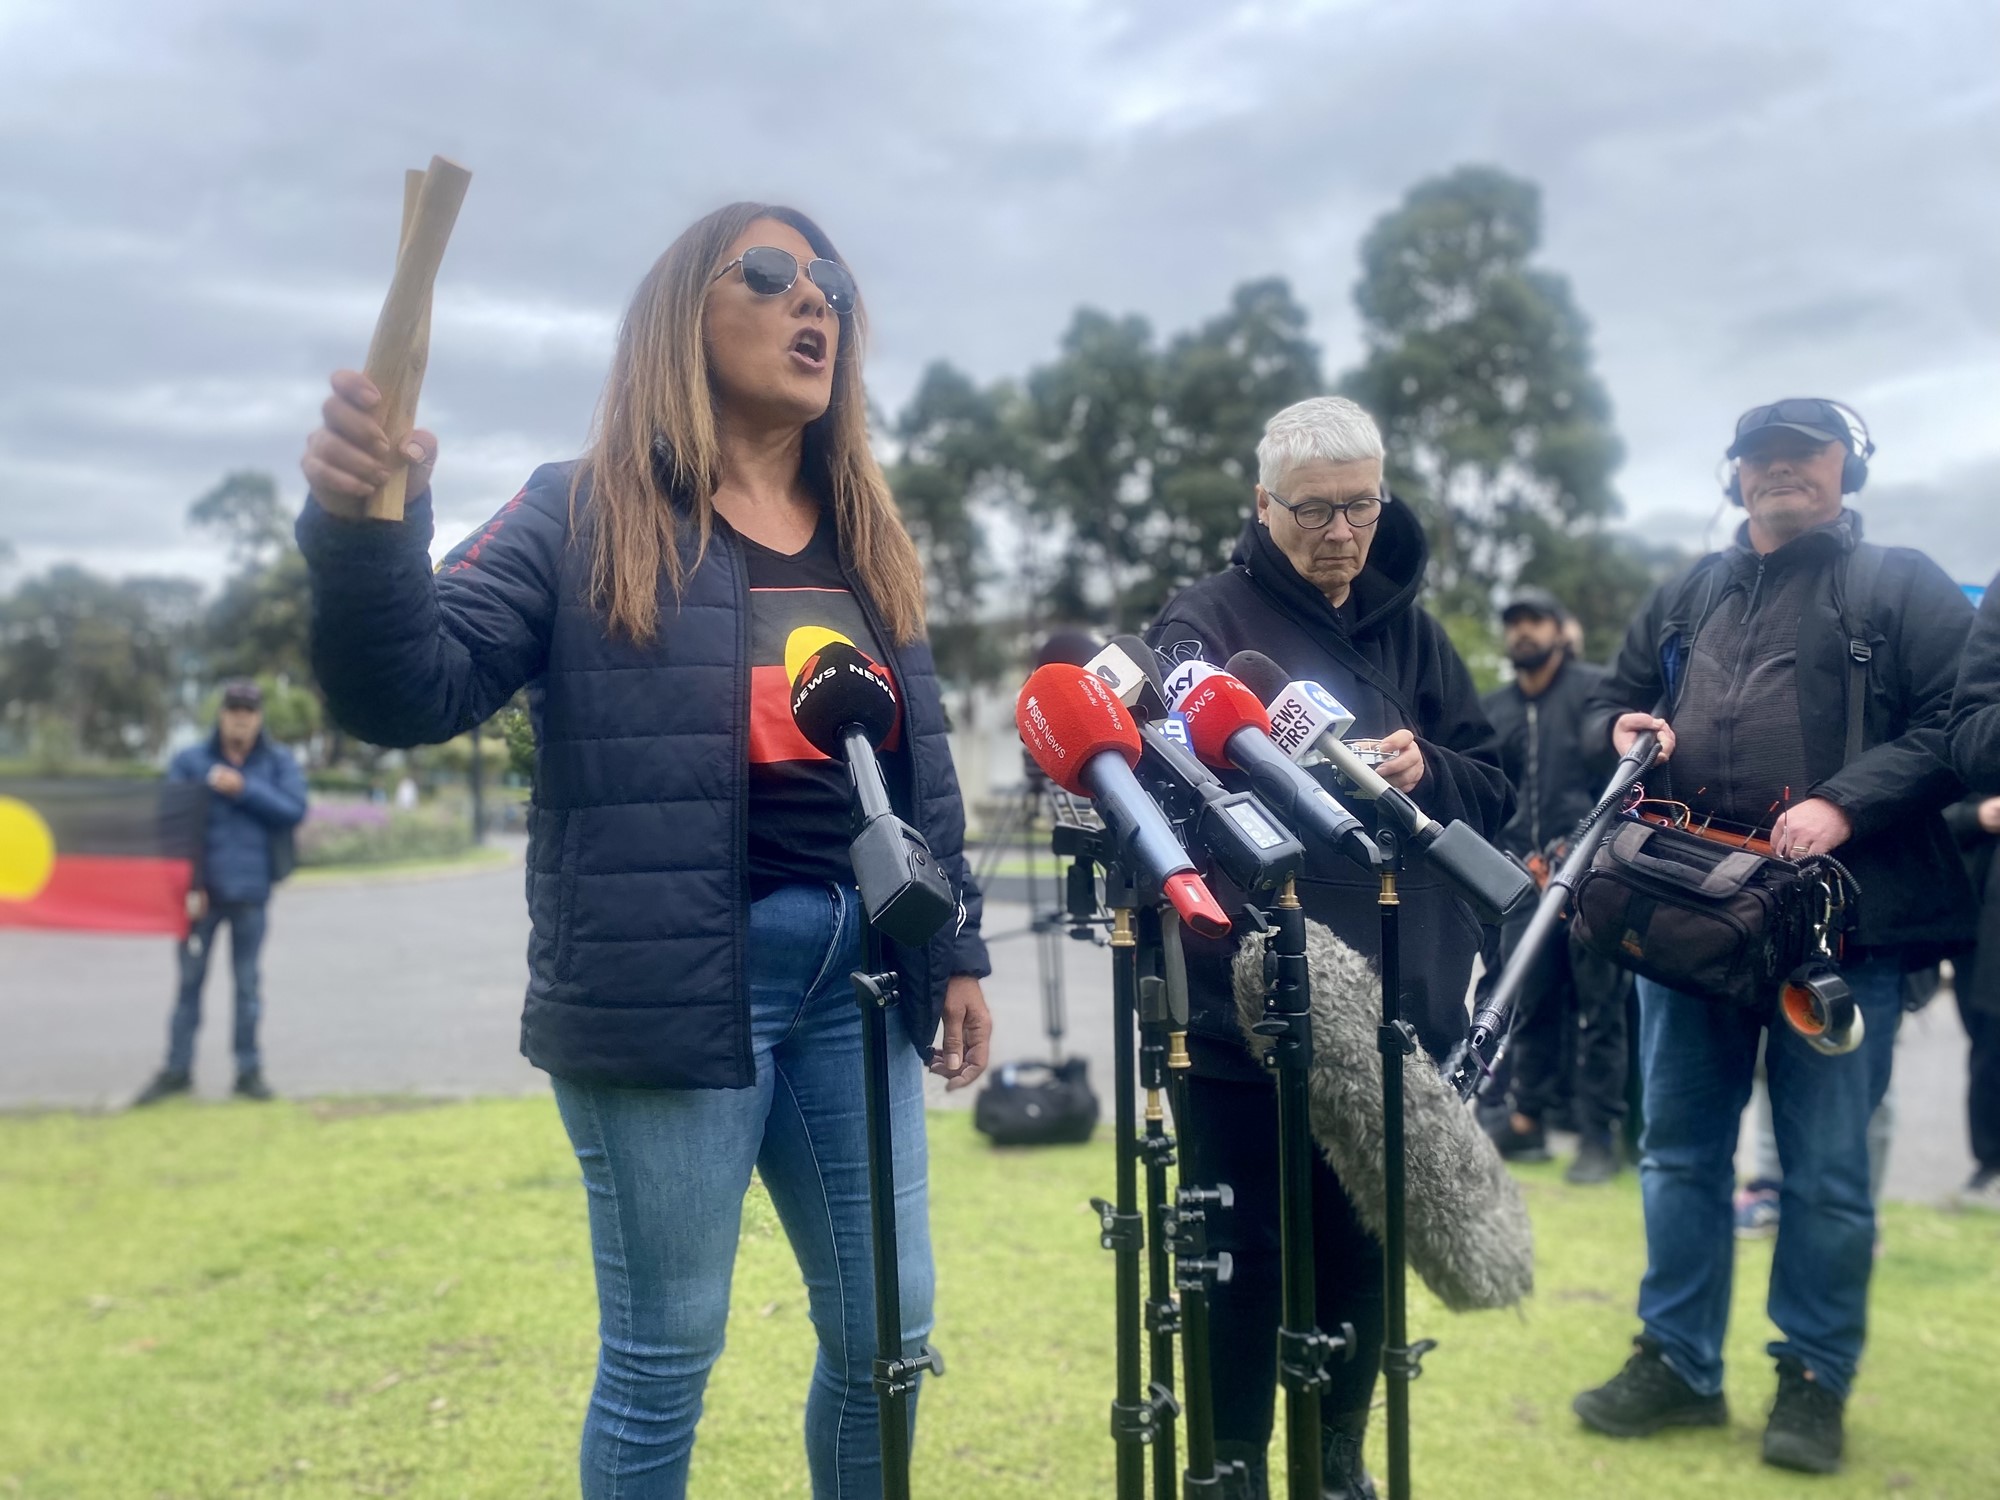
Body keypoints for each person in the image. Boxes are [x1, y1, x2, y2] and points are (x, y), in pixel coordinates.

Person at [294, 203, 992, 1500]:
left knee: (890, 1337)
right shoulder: (577, 512)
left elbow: (924, 766)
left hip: (860, 977)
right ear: (681, 316)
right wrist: (365, 533)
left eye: (831, 281)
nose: (816, 303)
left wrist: (952, 943)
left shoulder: (866, 537)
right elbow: (407, 689)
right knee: (667, 1354)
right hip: (669, 983)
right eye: (774, 274)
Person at [1574, 398, 1976, 1475]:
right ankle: (1675, 1362)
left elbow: (1958, 725)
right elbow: (1604, 703)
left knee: (1827, 1174)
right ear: (1733, 474)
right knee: (1676, 1158)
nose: (1779, 470)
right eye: (1759, 455)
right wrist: (1615, 728)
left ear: (1846, 466)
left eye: (1803, 453)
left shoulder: (1903, 585)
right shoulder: (1687, 590)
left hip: (1840, 934)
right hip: (1685, 923)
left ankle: (1810, 1379)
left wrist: (1846, 802)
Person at [1148, 395, 1512, 1498]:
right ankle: (1227, 1470)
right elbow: (1175, 785)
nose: (1340, 533)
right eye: (1313, 511)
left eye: (1360, 507)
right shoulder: (1198, 621)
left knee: (1360, 1249)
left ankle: (1335, 1465)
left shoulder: (1415, 632)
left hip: (1394, 1012)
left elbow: (1491, 784)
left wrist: (1427, 774)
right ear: (1263, 506)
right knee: (1239, 1256)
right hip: (1242, 1008)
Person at [1478, 586, 1632, 1184]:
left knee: (1601, 1010)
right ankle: (1528, 1124)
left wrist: (1581, 849)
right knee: (1527, 1003)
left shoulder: (1597, 696)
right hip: (1525, 880)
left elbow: (1625, 787)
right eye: (1514, 622)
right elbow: (1493, 799)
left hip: (1596, 877)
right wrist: (1515, 858)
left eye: (1535, 620)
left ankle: (1599, 1136)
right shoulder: (1497, 709)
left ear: (1561, 630)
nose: (1523, 632)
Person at [134, 679, 307, 1105]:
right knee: (189, 985)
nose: (240, 720)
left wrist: (244, 789)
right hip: (199, 897)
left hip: (251, 893)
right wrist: (188, 885)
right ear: (221, 715)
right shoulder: (191, 761)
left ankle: (248, 1072)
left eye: (248, 713)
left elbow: (294, 810)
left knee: (247, 986)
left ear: (258, 718)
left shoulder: (277, 761)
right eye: (233, 711)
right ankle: (177, 1070)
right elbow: (170, 825)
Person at [1948, 571, 2000, 1207]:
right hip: (1985, 906)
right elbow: (1942, 804)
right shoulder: (1971, 702)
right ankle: (1989, 1162)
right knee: (1990, 1039)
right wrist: (1980, 816)